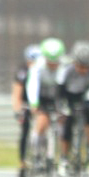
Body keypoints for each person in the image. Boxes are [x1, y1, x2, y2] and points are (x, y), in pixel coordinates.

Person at [56, 41, 89, 176]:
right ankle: (64, 158)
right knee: (67, 122)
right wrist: (61, 108)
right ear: (74, 62)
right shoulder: (65, 68)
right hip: (67, 95)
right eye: (80, 67)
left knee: (88, 115)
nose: (84, 71)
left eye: (87, 67)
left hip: (84, 93)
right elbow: (59, 91)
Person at [26, 37, 65, 169]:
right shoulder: (37, 67)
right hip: (42, 97)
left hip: (56, 96)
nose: (53, 65)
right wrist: (34, 103)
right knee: (42, 123)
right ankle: (36, 154)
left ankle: (57, 154)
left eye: (56, 62)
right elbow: (32, 86)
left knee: (62, 123)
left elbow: (65, 87)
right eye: (50, 62)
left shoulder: (64, 66)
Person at [12, 44, 40, 177]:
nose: (33, 64)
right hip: (26, 103)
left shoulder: (43, 70)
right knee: (25, 130)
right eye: (31, 61)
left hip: (41, 103)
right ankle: (23, 164)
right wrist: (18, 110)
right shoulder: (22, 72)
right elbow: (16, 93)